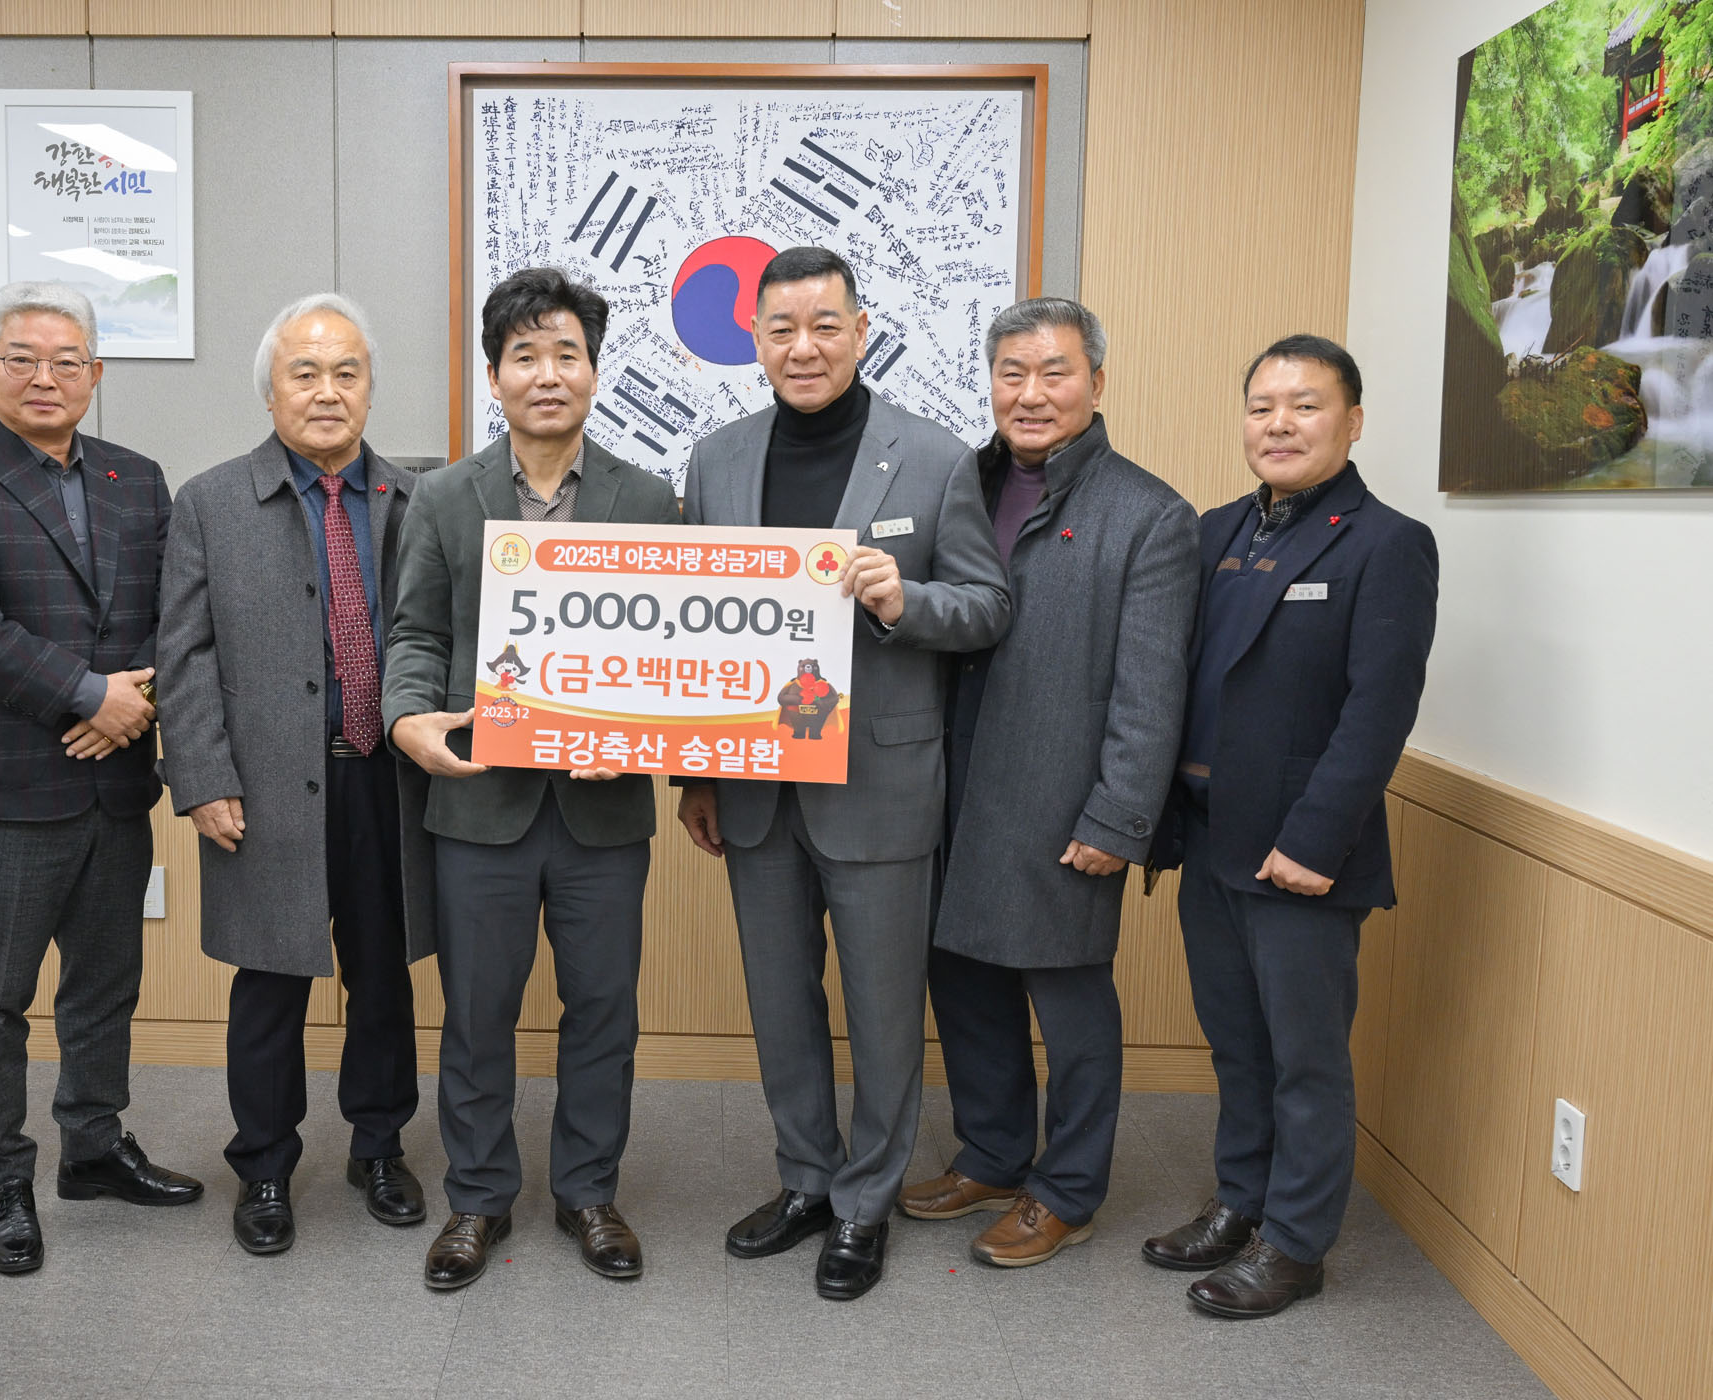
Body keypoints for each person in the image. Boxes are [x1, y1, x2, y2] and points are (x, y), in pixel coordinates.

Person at [675, 246, 1010, 1300]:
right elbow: (693, 632)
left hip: (880, 781)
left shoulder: (936, 456)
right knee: (780, 1001)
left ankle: (867, 1200)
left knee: (881, 1007)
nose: (804, 346)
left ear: (862, 332)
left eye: (825, 325)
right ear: (755, 340)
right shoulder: (717, 459)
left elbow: (988, 606)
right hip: (754, 780)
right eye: (782, 329)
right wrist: (696, 774)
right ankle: (807, 1178)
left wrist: (906, 600)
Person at [383, 266, 681, 1291]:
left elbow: (673, 656)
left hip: (604, 811)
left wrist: (642, 735)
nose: (547, 374)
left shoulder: (649, 499)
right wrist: (406, 717)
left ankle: (589, 1190)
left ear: (594, 370)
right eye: (525, 356)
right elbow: (416, 632)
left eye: (567, 354)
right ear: (494, 375)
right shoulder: (443, 496)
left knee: (604, 1011)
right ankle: (477, 1196)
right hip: (479, 802)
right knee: (478, 1014)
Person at [0, 280, 201, 1277]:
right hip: (9, 789)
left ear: (95, 374)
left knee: (105, 986)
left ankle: (94, 1146)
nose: (45, 376)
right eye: (22, 358)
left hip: (117, 779)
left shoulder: (136, 478)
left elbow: (174, 613)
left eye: (66, 361)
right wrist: (87, 696)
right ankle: (4, 1180)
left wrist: (133, 706)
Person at [1143, 334, 1438, 1318]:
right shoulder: (1216, 531)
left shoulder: (1386, 543)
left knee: (1306, 1059)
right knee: (1237, 1045)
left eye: (1305, 405)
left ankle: (1297, 1243)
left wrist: (1315, 843)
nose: (1279, 423)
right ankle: (1242, 1200)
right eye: (1262, 405)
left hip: (1300, 852)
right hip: (1209, 837)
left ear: (1352, 421)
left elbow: (1378, 712)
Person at [904, 298, 1198, 1267]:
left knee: (1070, 1005)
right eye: (1012, 373)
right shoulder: (959, 481)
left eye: (1055, 372)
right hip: (947, 787)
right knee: (964, 982)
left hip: (1061, 799)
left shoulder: (1149, 515)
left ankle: (1067, 1188)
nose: (1031, 394)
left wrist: (1118, 816)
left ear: (1096, 383)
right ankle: (993, 1154)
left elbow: (1151, 689)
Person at [157, 293, 435, 1257]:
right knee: (269, 981)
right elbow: (184, 654)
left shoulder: (416, 500)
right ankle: (265, 1165)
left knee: (383, 975)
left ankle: (379, 1147)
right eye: (304, 373)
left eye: (346, 372)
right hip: (266, 783)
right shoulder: (209, 503)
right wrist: (201, 777)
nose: (327, 392)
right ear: (270, 391)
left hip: (387, 781)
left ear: (370, 388)